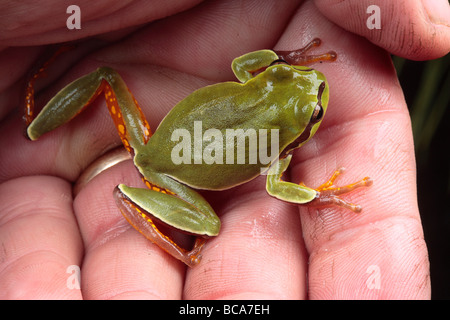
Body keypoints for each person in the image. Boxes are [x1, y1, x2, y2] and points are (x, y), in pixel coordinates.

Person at [0, 0, 448, 299]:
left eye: (309, 115)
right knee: (210, 225)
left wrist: (281, 62)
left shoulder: (257, 97)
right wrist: (318, 194)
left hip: (155, 143)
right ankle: (51, 137)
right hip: (165, 168)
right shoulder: (278, 151)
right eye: (281, 74)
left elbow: (243, 67)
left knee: (108, 77)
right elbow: (276, 188)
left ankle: (37, 128)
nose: (317, 87)